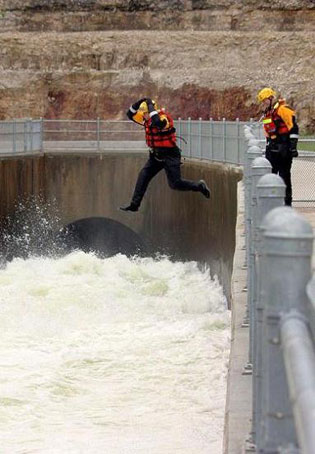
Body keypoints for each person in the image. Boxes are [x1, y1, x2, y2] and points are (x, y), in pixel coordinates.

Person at [120, 97, 210, 212]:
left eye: (145, 113)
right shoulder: (145, 119)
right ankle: (134, 205)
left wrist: (150, 106)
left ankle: (199, 186)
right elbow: (130, 114)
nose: (143, 116)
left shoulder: (164, 118)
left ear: (152, 111)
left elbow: (158, 123)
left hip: (170, 155)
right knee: (143, 176)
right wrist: (140, 101)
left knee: (175, 184)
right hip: (156, 156)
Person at [257, 87, 299, 206]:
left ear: (271, 98)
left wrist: (293, 147)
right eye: (262, 101)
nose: (263, 103)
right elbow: (268, 132)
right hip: (273, 149)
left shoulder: (283, 109)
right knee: (271, 177)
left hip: (284, 148)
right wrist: (269, 146)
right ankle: (272, 203)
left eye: (264, 100)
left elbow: (293, 127)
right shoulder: (268, 114)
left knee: (285, 177)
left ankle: (287, 205)